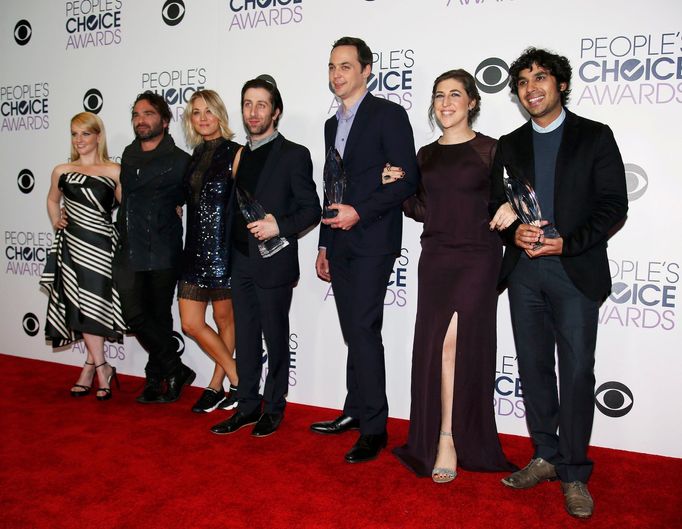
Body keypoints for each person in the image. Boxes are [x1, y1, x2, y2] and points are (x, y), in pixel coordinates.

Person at [489, 48, 628, 518]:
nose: (532, 88)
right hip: (524, 272)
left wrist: (567, 243)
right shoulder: (508, 144)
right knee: (533, 369)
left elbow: (613, 206)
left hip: (574, 271)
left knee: (575, 374)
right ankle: (545, 456)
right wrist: (514, 231)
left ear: (561, 85)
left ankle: (573, 473)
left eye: (541, 78)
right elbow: (497, 204)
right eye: (524, 81)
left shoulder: (594, 136)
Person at [390, 70, 517, 482]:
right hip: (437, 258)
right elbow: (426, 209)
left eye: (455, 95)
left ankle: (450, 436)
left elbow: (518, 195)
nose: (446, 102)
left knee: (456, 347)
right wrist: (400, 188)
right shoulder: (424, 155)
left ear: (473, 103)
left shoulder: (492, 150)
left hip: (479, 257)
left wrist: (513, 208)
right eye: (439, 95)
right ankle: (441, 435)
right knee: (437, 348)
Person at [310, 37, 419, 463]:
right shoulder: (329, 124)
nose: (337, 74)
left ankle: (375, 427)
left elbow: (407, 178)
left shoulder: (388, 115)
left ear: (366, 70)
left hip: (373, 239)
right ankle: (355, 410)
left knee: (363, 329)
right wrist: (323, 242)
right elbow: (330, 185)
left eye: (346, 67)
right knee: (354, 331)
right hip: (338, 240)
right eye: (332, 67)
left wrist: (360, 211)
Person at [210, 75, 320, 437]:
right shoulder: (239, 154)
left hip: (274, 261)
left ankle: (273, 407)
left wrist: (279, 226)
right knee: (246, 336)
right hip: (241, 260)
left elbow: (311, 210)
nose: (253, 112)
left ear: (276, 112)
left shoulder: (294, 154)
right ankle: (246, 405)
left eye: (261, 105)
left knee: (275, 337)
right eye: (247, 104)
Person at [115, 91, 194, 404]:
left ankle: (154, 380)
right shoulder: (128, 153)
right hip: (129, 246)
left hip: (163, 247)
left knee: (159, 316)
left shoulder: (180, 161)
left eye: (148, 114)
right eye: (136, 114)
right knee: (134, 314)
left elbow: (191, 201)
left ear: (164, 120)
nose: (140, 120)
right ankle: (175, 367)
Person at [40, 111, 124, 400]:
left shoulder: (114, 171)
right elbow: (52, 199)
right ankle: (102, 368)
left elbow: (127, 210)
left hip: (102, 246)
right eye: (74, 134)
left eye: (85, 133)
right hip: (73, 246)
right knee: (82, 307)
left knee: (96, 305)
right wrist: (56, 220)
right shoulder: (61, 170)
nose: (79, 139)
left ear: (98, 136)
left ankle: (92, 366)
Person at [178, 90, 241, 413]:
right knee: (190, 323)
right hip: (193, 251)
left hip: (223, 250)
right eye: (196, 112)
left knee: (223, 320)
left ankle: (216, 386)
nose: (202, 118)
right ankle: (238, 378)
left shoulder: (236, 153)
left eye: (208, 111)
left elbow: (245, 203)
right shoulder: (193, 156)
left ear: (220, 115)